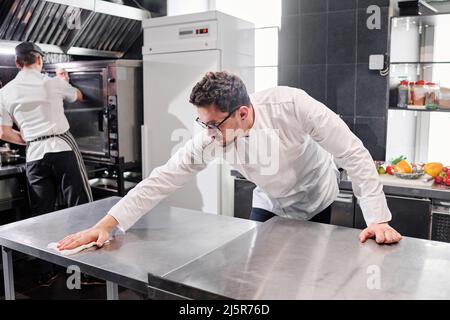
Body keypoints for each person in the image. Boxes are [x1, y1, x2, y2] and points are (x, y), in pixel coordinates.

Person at [58, 71, 402, 251]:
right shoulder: (214, 137)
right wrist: (107, 224)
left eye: (212, 125)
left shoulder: (292, 105)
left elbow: (352, 153)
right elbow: (164, 178)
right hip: (270, 201)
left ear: (242, 112)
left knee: (308, 273)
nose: (207, 133)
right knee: (255, 278)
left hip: (316, 196)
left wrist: (379, 219)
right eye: (202, 123)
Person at [0, 42, 93, 217]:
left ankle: (46, 244)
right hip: (62, 147)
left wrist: (32, 138)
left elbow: (3, 132)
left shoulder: (4, 93)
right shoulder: (53, 83)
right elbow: (79, 96)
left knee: (42, 212)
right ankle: (85, 242)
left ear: (17, 63)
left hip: (34, 155)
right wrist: (65, 83)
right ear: (39, 59)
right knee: (80, 205)